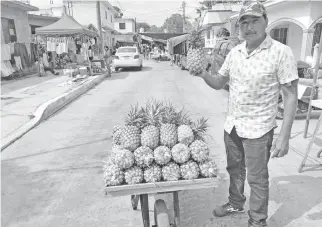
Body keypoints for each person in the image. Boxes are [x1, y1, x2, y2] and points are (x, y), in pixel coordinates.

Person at [194, 2, 298, 227]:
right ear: (239, 26)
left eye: (254, 21)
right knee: (234, 169)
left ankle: (258, 221)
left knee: (257, 178)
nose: (249, 27)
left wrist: (284, 136)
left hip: (259, 129)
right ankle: (235, 202)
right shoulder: (235, 53)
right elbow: (220, 82)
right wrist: (203, 74)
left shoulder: (281, 52)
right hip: (232, 125)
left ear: (265, 22)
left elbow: (290, 97)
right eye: (244, 22)